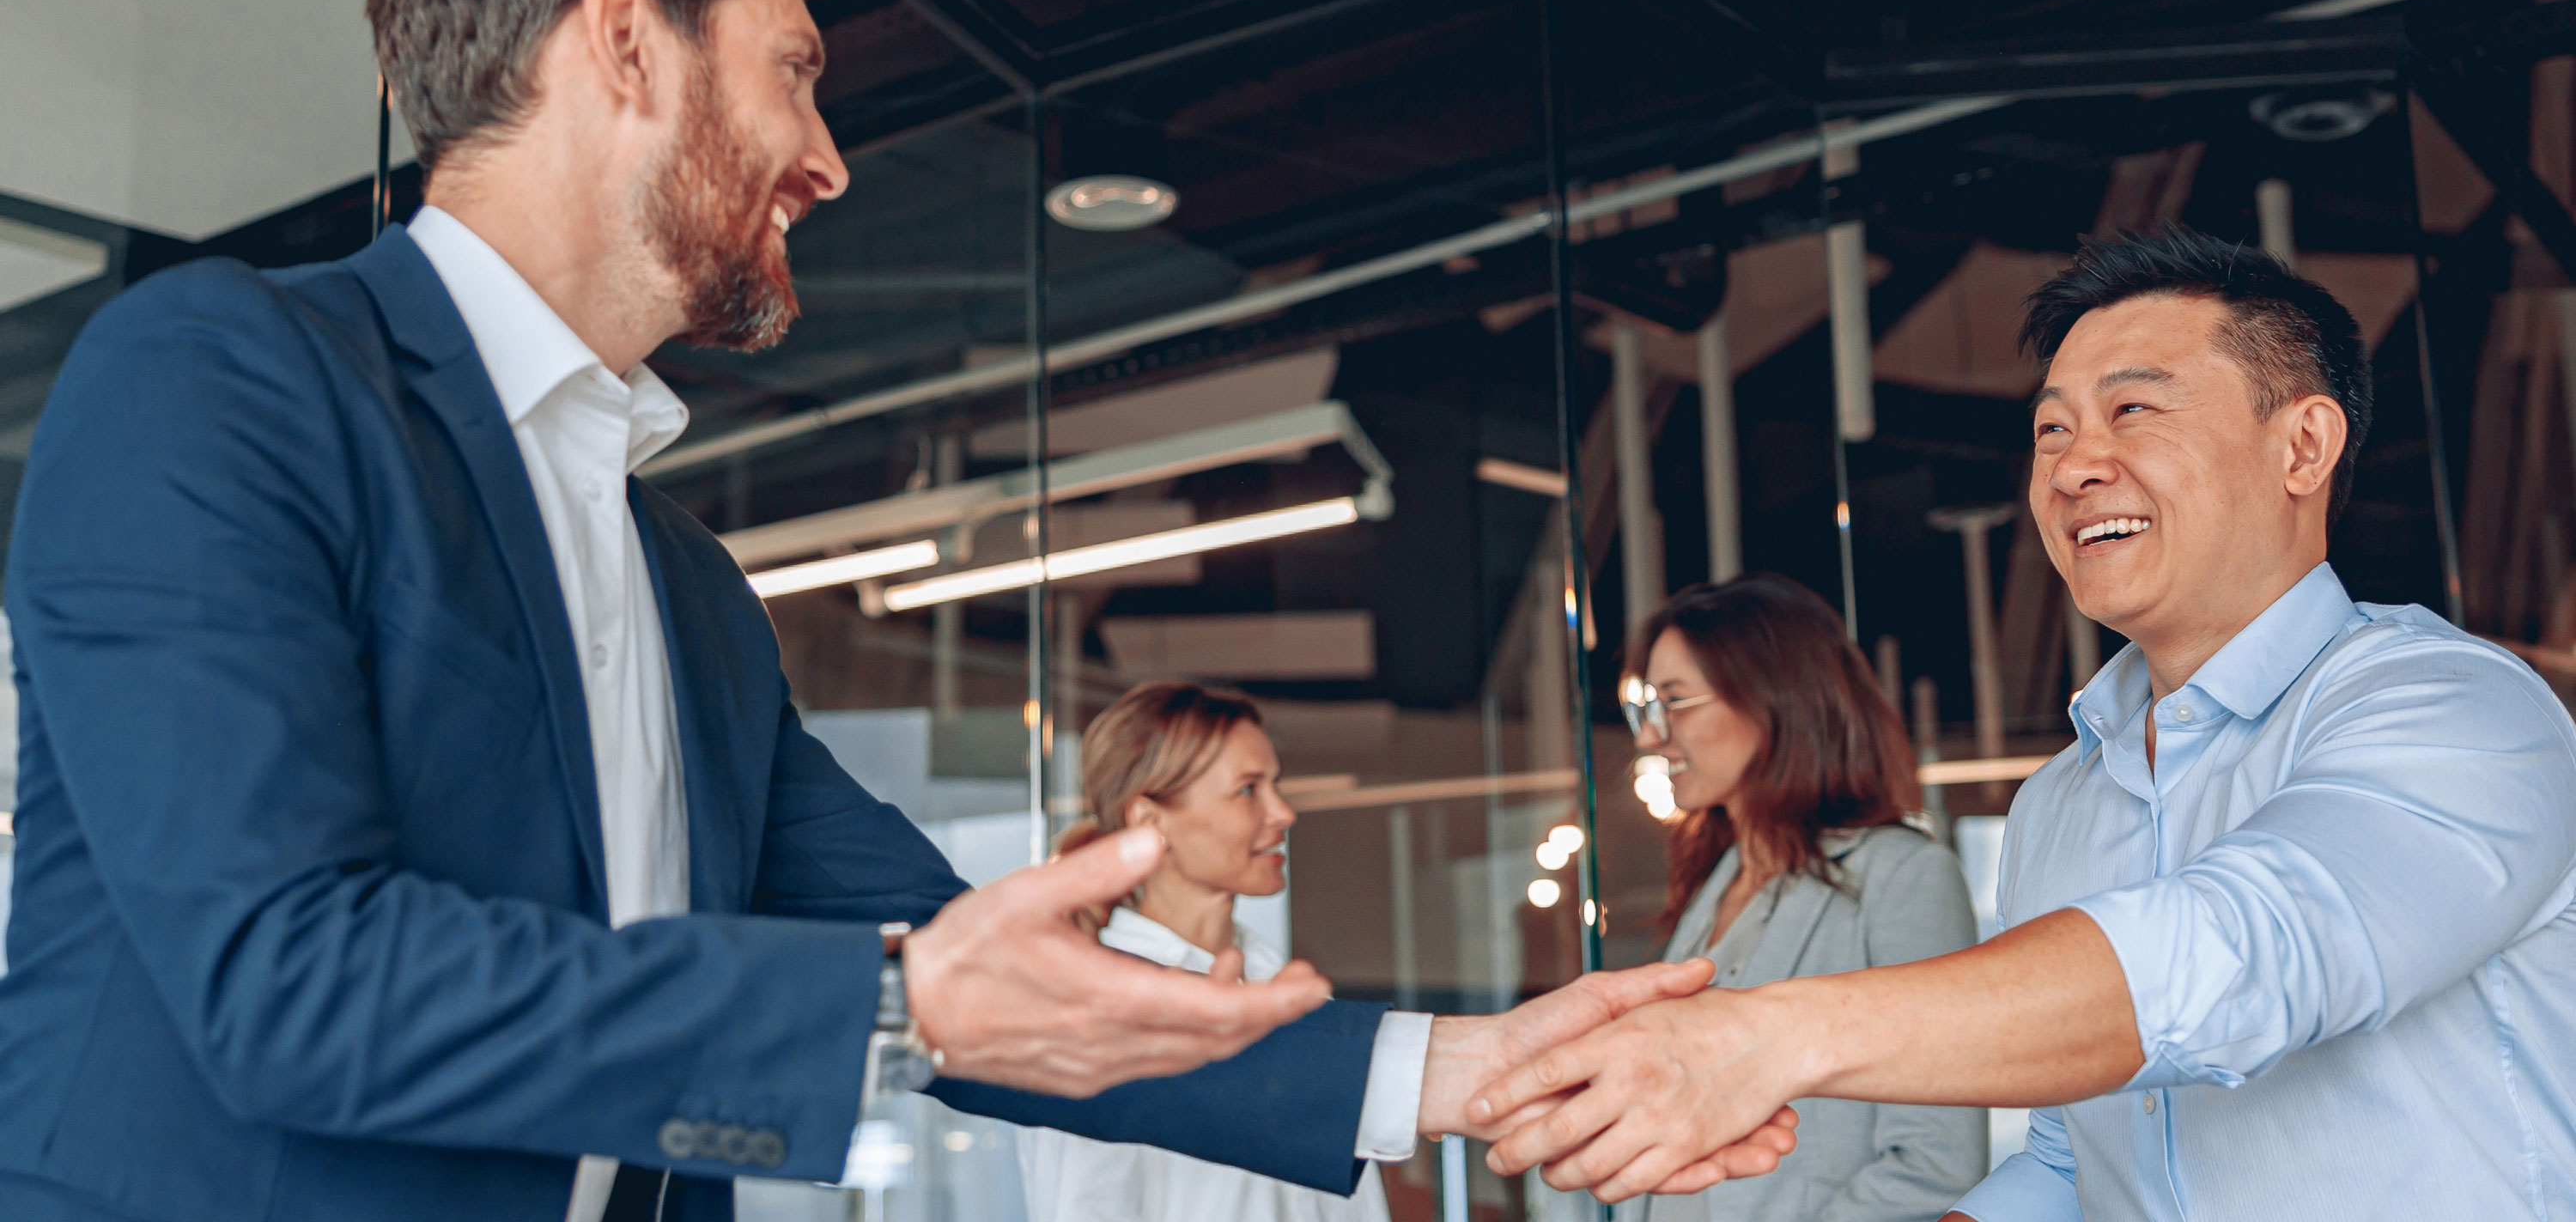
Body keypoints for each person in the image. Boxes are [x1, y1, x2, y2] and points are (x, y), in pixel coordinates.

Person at [0, 0, 1795, 1222]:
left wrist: (1450, 1068)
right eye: (795, 69)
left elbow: (1004, 980)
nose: (830, 156)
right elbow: (283, 974)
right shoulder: (223, 377)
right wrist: (909, 998)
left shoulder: (687, 591)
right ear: (622, 40)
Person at [1467, 229, 2576, 1219]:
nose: (2075, 464)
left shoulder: (2455, 710)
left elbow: (2255, 951)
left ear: (2303, 447)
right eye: (2051, 428)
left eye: (2133, 409)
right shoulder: (2061, 801)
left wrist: (1771, 1036)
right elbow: (2071, 1153)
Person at [1615, 578, 1983, 1222]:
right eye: (1648, 707)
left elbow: (1936, 1164)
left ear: (1770, 699)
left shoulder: (1903, 877)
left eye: (1674, 702)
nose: (1651, 737)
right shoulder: (1715, 886)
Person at [1019, 682, 1391, 1222]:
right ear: (1150, 821)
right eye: (1247, 790)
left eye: (1275, 786)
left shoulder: (1290, 993)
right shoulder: (1096, 1009)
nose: (1283, 812)